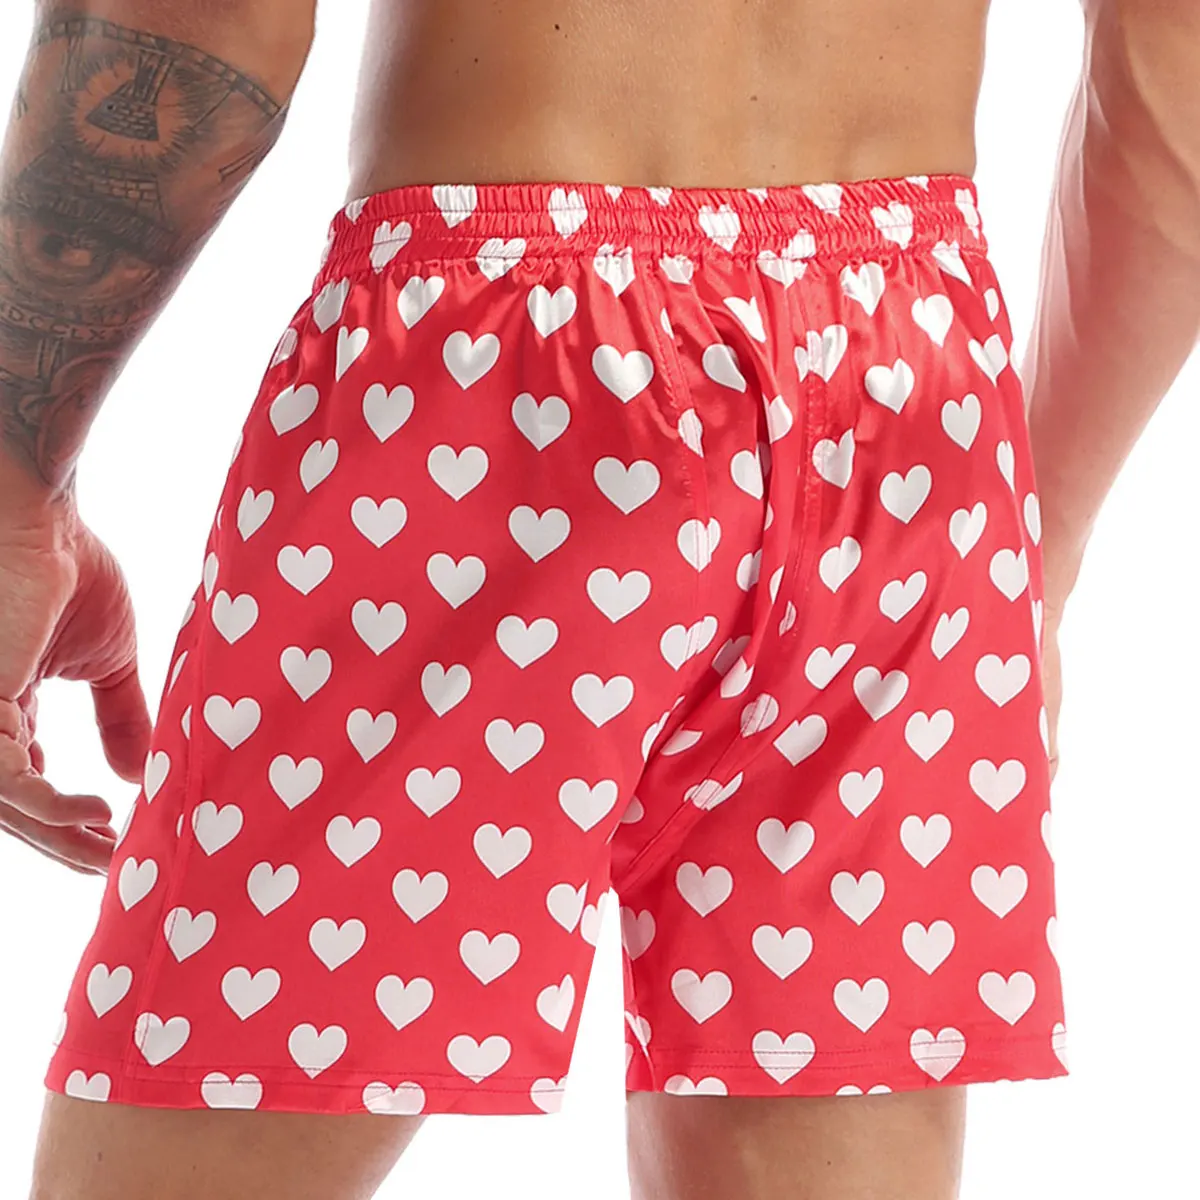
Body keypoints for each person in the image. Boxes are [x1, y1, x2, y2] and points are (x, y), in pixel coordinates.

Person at [2, 0, 1196, 1196]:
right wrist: (1034, 557)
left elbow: (209, 16)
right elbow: (1172, 89)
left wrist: (15, 498)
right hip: (913, 388)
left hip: (504, 368)